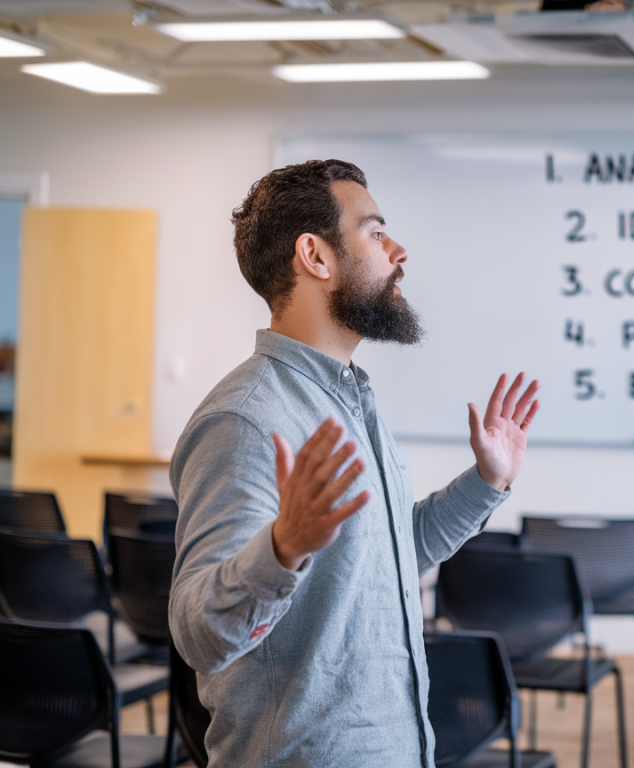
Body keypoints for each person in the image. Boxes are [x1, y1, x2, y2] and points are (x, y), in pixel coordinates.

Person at [168, 159, 539, 767]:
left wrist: (486, 482)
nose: (399, 251)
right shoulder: (245, 419)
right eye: (374, 231)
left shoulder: (352, 400)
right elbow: (197, 632)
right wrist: (282, 548)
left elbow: (384, 557)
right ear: (315, 256)